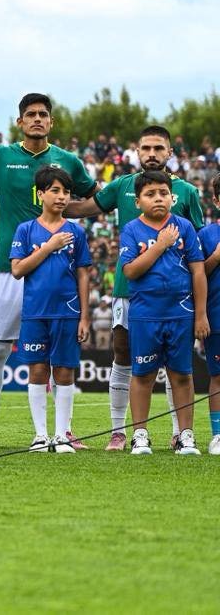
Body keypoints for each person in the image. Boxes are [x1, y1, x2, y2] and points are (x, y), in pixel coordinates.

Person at [0, 93, 96, 448]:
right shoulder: (1, 156)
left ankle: (64, 431)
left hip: (56, 275)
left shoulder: (68, 160)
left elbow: (94, 198)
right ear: (20, 121)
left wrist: (66, 216)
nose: (37, 119)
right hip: (9, 268)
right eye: (30, 114)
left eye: (43, 114)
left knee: (60, 359)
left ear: (51, 121)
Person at [65, 125, 205, 450]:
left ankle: (179, 432)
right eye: (146, 148)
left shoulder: (186, 192)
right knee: (123, 356)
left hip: (176, 299)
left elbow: (199, 245)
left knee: (176, 365)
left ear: (170, 152)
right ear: (137, 151)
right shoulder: (122, 185)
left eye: (159, 148)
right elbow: (86, 209)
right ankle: (119, 432)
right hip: (128, 292)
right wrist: (47, 207)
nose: (152, 154)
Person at [118, 171, 207, 455]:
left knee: (181, 375)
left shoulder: (185, 227)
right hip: (145, 314)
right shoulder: (131, 229)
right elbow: (130, 271)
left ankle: (186, 436)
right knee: (143, 374)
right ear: (138, 201)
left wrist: (201, 314)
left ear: (172, 197)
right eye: (150, 194)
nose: (158, 198)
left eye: (163, 193)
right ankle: (140, 435)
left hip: (181, 313)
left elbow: (198, 271)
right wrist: (159, 245)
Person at [8, 167, 92, 453]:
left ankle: (61, 435)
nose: (62, 196)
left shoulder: (77, 232)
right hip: (35, 312)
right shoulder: (25, 230)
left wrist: (84, 316)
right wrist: (48, 247)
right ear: (41, 194)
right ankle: (40, 436)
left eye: (66, 192)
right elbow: (17, 269)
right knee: (38, 371)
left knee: (65, 373)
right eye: (55, 190)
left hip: (67, 312)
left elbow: (83, 274)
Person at [196, 176, 220, 455]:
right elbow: (197, 274)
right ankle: (218, 435)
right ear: (216, 201)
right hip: (217, 316)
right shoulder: (206, 235)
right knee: (218, 377)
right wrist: (215, 257)